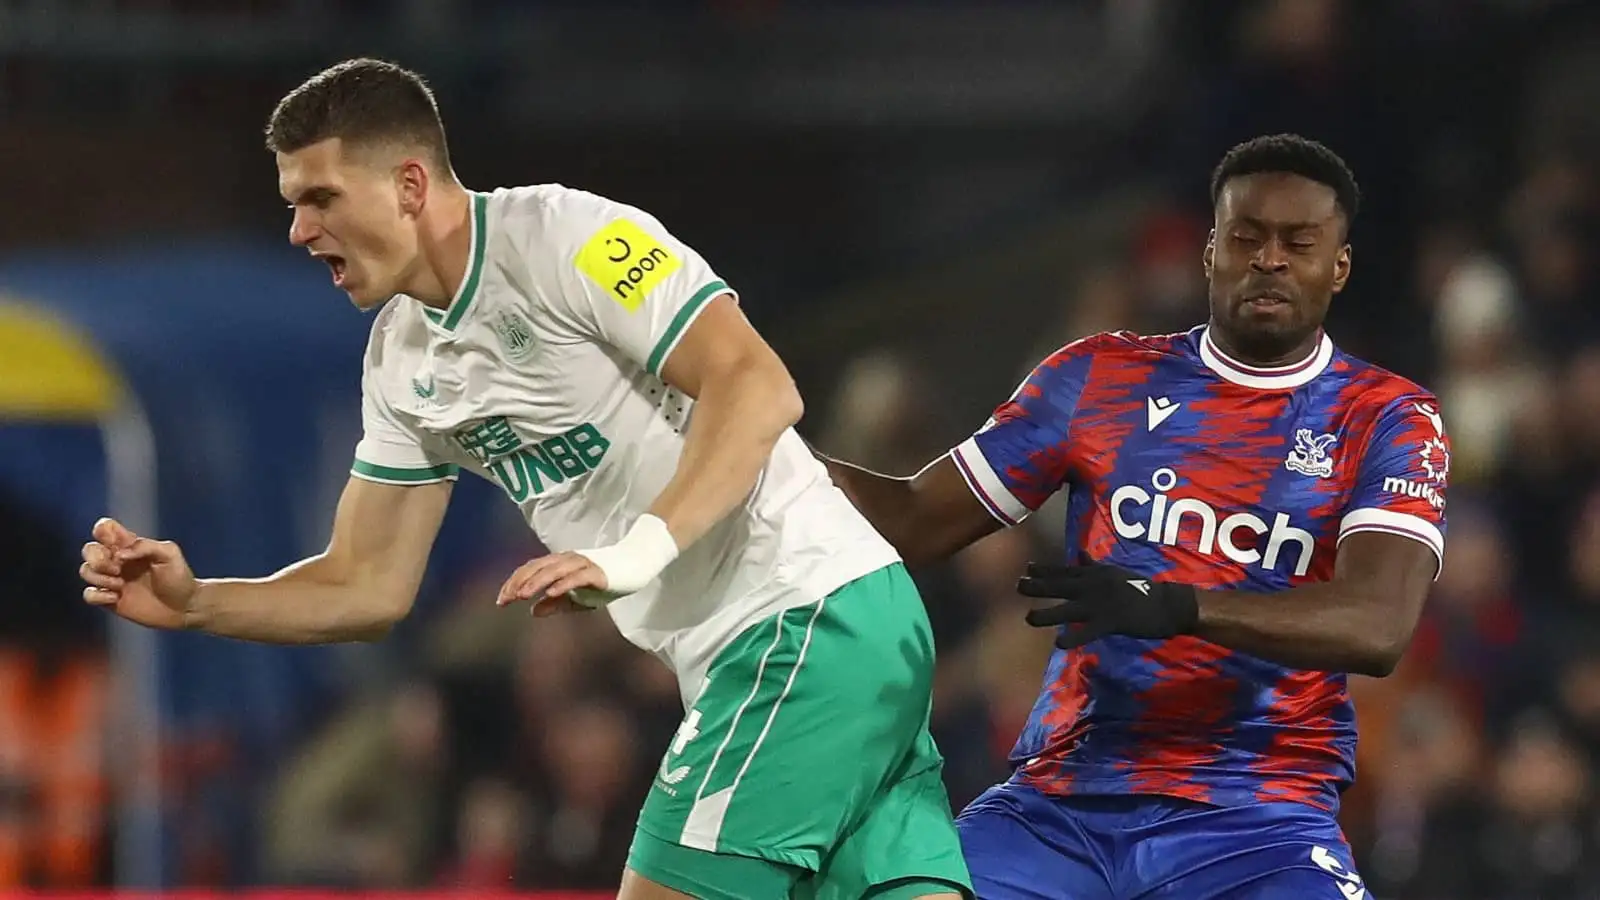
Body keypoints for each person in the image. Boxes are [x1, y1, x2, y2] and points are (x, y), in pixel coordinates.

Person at [76, 58, 971, 900]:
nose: (299, 229)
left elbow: (758, 384)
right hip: (825, 640)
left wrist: (634, 553)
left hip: (802, 621)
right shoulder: (400, 362)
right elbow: (366, 582)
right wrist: (199, 604)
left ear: (411, 185)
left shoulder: (569, 239)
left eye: (320, 198)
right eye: (291, 202)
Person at [818, 134, 1449, 899]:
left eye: (1299, 243)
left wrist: (1177, 606)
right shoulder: (1099, 379)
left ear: (1338, 265)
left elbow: (1377, 624)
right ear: (1211, 250)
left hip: (1260, 817)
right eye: (1246, 238)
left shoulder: (1385, 418)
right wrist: (754, 445)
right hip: (1062, 805)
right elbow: (916, 518)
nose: (1270, 260)